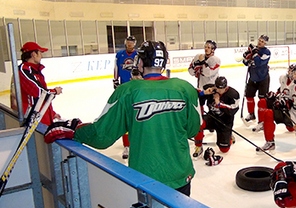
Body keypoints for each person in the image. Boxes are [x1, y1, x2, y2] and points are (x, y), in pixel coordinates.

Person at [44, 41, 201, 196]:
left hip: (145, 176)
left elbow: (101, 136)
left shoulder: (127, 91)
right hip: (181, 175)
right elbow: (193, 129)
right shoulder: (185, 88)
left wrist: (76, 130)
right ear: (164, 63)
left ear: (139, 62)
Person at [256, 65, 296, 153]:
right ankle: (270, 142)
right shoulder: (292, 85)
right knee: (268, 113)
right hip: (291, 114)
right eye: (292, 73)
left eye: (295, 74)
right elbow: (286, 97)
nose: (293, 76)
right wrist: (280, 101)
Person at [192, 76, 240, 159]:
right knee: (199, 123)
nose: (219, 91)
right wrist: (204, 93)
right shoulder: (210, 89)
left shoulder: (233, 94)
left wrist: (219, 104)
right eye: (217, 88)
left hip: (225, 122)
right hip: (212, 117)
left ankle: (229, 136)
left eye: (222, 89)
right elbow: (196, 98)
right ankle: (198, 146)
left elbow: (233, 110)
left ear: (226, 87)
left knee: (224, 150)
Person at [251, 64, 296, 146]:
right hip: (280, 102)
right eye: (289, 70)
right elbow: (281, 89)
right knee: (262, 102)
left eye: (293, 72)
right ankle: (262, 123)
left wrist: (286, 102)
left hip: (290, 109)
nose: (290, 73)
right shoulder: (283, 77)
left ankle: (289, 124)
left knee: (291, 128)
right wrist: (275, 95)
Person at [17, 41, 62, 125]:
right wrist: (54, 91)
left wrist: (51, 113)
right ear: (34, 54)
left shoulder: (35, 70)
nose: (41, 55)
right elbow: (39, 92)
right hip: (34, 121)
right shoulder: (24, 70)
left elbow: (42, 98)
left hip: (41, 117)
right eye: (40, 52)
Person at [113, 35, 138, 159]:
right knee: (126, 116)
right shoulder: (120, 55)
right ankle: (127, 146)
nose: (130, 44)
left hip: (137, 89)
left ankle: (137, 141)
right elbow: (116, 67)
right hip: (124, 89)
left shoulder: (138, 55)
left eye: (132, 42)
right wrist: (115, 80)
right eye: (128, 41)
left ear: (134, 43)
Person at [242, 34, 271, 124]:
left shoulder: (267, 52)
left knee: (262, 100)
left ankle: (262, 119)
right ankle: (251, 114)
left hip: (263, 78)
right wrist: (246, 58)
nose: (260, 42)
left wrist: (254, 53)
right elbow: (245, 62)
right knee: (249, 96)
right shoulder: (254, 49)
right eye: (259, 40)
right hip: (253, 77)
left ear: (265, 43)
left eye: (262, 41)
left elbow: (259, 63)